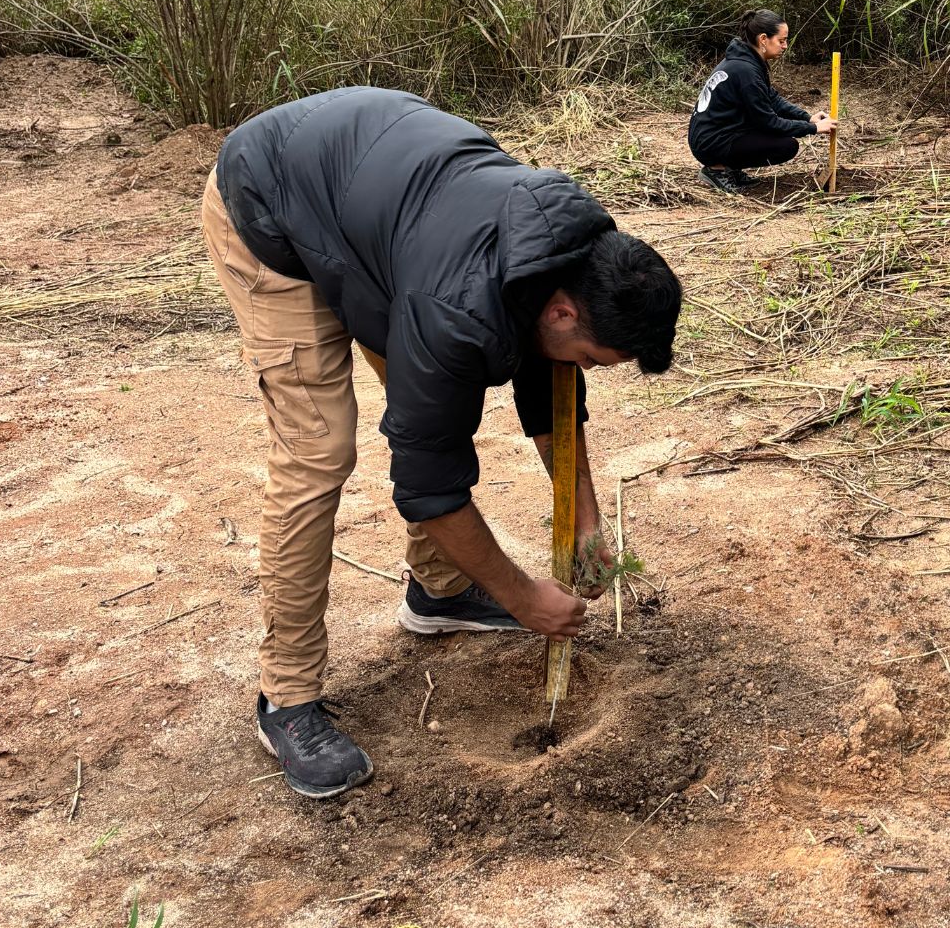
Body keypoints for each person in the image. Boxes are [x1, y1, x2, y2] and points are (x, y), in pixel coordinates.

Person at [201, 86, 683, 800]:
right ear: (561, 310)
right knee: (320, 452)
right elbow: (427, 486)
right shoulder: (455, 311)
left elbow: (553, 396)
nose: (581, 370)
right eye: (588, 356)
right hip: (272, 206)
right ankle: (287, 699)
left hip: (381, 219)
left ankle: (441, 592)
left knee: (433, 400)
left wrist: (585, 521)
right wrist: (521, 597)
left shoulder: (573, 250)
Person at [687, 10, 836, 193]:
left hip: (712, 136)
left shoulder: (746, 61)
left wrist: (807, 118)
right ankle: (717, 170)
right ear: (763, 39)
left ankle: (728, 168)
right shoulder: (746, 71)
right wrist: (813, 129)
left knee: (776, 136)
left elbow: (771, 98)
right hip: (710, 143)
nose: (785, 46)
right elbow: (769, 122)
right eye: (781, 40)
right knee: (786, 146)